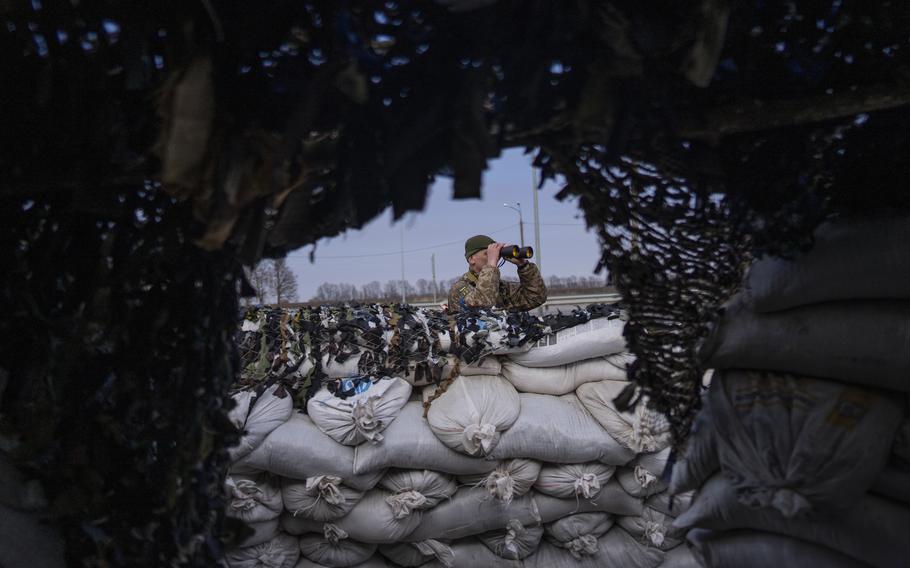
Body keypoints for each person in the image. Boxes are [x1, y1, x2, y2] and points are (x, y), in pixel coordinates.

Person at [447, 234, 548, 313]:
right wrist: (491, 264)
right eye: (487, 254)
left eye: (496, 254)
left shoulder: (501, 287)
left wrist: (523, 266)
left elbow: (536, 297)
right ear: (471, 259)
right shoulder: (460, 288)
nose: (495, 257)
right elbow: (482, 304)